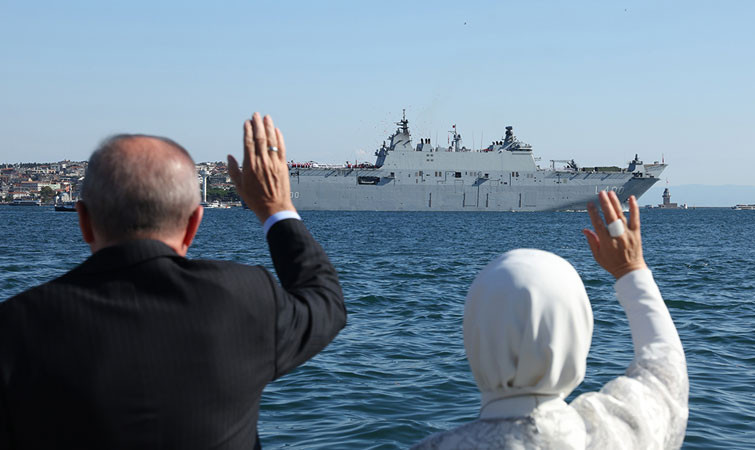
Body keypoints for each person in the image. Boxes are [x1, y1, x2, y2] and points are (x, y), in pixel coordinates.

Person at [0, 113, 346, 449]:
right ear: (194, 224)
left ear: (84, 222)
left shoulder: (15, 326)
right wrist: (276, 208)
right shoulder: (247, 299)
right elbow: (326, 301)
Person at [414, 191, 688, 449]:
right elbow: (667, 372)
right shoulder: (623, 435)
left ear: (474, 337)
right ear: (578, 332)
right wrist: (631, 269)